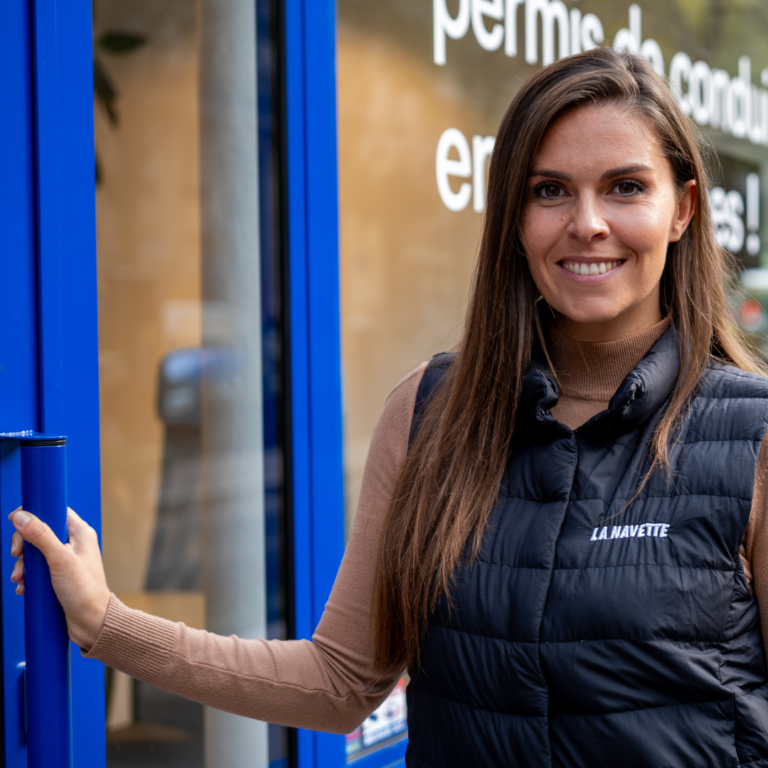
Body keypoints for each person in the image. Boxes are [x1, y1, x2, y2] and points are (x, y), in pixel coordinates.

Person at [10, 47, 768, 766]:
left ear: (683, 209)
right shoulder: (433, 412)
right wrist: (107, 624)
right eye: (550, 190)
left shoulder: (753, 435)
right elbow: (339, 682)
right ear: (514, 216)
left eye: (626, 187)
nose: (588, 223)